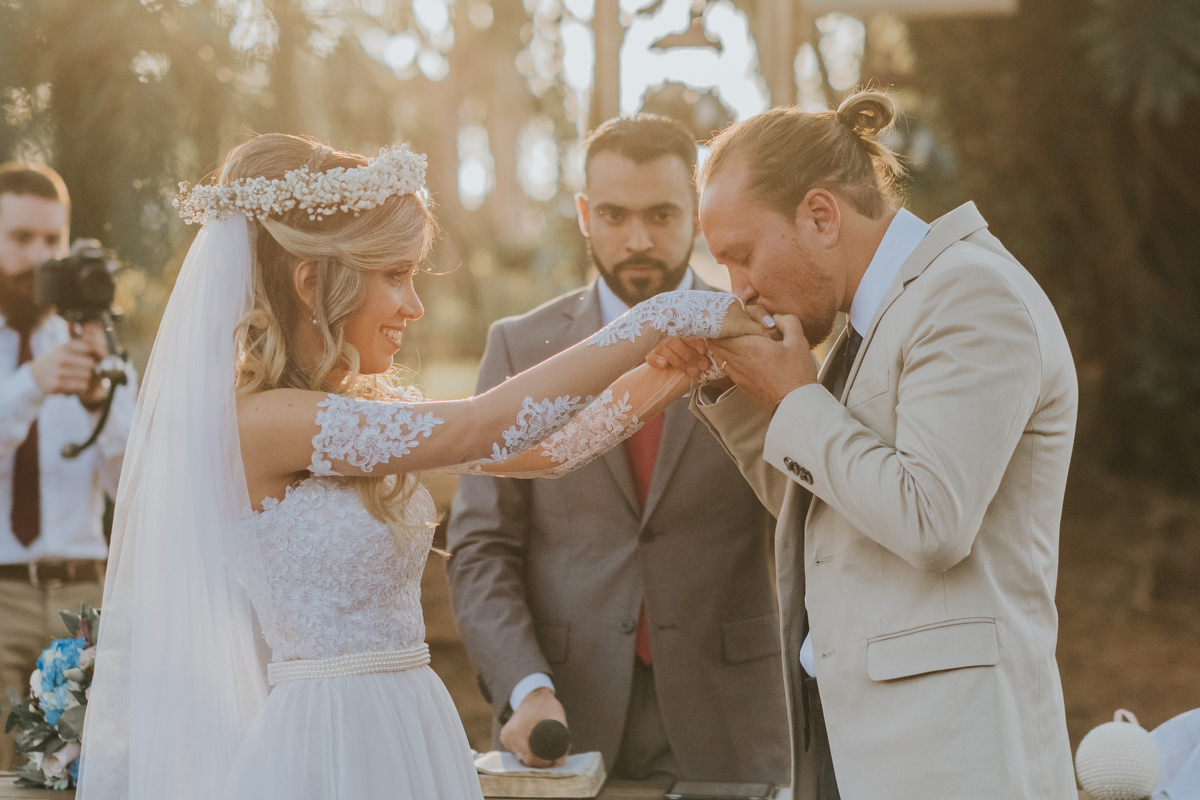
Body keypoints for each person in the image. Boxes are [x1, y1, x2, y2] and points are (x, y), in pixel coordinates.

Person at [77, 133, 770, 800]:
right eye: (395, 276)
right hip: (333, 740)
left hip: (408, 721)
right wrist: (665, 314)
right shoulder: (263, 421)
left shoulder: (350, 413)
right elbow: (481, 422)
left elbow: (551, 452)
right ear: (314, 281)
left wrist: (668, 378)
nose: (413, 305)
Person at [653, 91, 1079, 800]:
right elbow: (827, 509)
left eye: (742, 255)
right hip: (852, 752)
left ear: (821, 216)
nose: (740, 289)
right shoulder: (866, 324)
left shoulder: (971, 295)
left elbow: (931, 518)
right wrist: (740, 386)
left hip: (956, 763)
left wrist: (795, 398)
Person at [447, 114, 788, 782]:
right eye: (613, 214)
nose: (638, 239)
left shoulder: (758, 333)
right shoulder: (519, 346)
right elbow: (483, 544)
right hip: (561, 716)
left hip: (733, 716)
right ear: (583, 214)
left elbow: (806, 515)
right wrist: (526, 686)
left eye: (662, 215)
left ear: (695, 213)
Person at [0, 163, 133, 770]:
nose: (38, 256)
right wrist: (29, 385)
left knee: (87, 774)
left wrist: (103, 400)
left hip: (83, 597)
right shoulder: (35, 365)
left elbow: (134, 487)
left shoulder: (98, 349)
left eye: (51, 240)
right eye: (20, 238)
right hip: (1, 593)